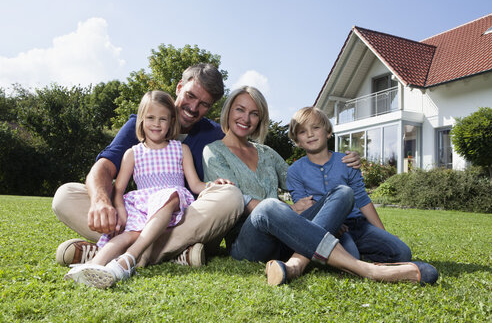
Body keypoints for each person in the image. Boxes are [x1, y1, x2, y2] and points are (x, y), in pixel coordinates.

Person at [202, 86, 438, 286]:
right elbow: (234, 200)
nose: (246, 118)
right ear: (228, 111)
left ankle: (297, 262)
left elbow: (305, 173)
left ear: (260, 119)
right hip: (248, 242)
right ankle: (367, 269)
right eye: (240, 110)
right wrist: (290, 209)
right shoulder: (213, 151)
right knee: (269, 207)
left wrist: (350, 161)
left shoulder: (267, 153)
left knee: (343, 193)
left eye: (254, 113)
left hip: (286, 237)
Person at [53, 63, 245, 268]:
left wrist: (215, 185)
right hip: (139, 216)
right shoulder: (139, 126)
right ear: (179, 87)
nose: (194, 108)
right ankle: (174, 253)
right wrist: (101, 201)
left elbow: (241, 160)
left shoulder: (215, 134)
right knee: (65, 195)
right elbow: (103, 168)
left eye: (204, 104)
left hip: (185, 218)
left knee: (231, 196)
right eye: (190, 96)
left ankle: (116, 253)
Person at [287, 106, 412, 263]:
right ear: (297, 140)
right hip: (327, 229)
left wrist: (383, 232)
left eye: (316, 127)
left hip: (358, 224)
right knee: (351, 255)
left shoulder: (347, 162)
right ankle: (354, 256)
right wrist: (332, 221)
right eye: (302, 131)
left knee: (403, 252)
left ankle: (361, 255)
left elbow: (362, 199)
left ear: (328, 132)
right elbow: (305, 208)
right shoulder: (294, 171)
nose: (310, 134)